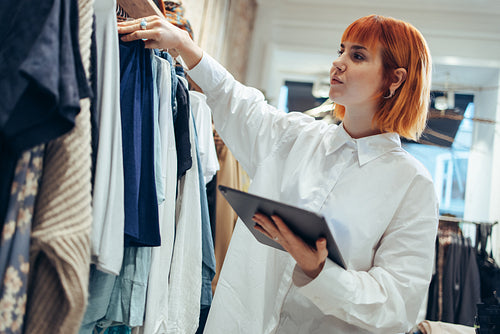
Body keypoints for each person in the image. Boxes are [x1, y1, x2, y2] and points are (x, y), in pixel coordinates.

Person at [118, 14, 439, 333]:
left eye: (357, 56)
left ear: (394, 79)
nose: (338, 63)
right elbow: (233, 99)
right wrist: (184, 46)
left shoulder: (412, 185)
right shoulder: (295, 137)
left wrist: (320, 272)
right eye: (340, 51)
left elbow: (397, 306)